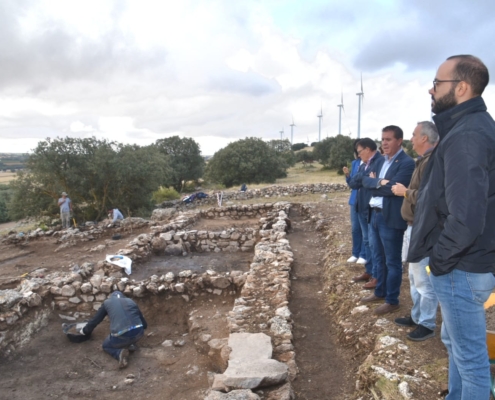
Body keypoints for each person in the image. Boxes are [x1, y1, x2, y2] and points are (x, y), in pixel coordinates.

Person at [408, 55, 495, 399]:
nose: (431, 89)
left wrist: (440, 263)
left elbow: (467, 216)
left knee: (471, 359)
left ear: (461, 87)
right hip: (465, 264)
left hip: (461, 266)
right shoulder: (468, 128)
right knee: (458, 348)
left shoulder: (467, 136)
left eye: (437, 82)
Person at [391, 121, 439, 341]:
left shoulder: (433, 162)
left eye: (414, 134)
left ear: (424, 138)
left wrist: (405, 192)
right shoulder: (424, 161)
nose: (411, 138)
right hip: (413, 226)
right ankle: (416, 315)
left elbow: (430, 198)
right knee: (412, 275)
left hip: (423, 228)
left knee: (423, 280)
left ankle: (427, 323)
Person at [360, 126, 415, 315]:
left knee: (392, 261)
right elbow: (364, 181)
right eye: (382, 139)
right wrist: (379, 182)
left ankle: (392, 300)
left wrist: (378, 183)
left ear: (399, 141)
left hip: (390, 218)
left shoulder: (406, 163)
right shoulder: (380, 160)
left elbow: (393, 189)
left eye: (388, 139)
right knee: (378, 257)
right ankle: (380, 292)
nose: (384, 143)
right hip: (374, 214)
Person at [348, 138, 383, 287]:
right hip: (361, 207)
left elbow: (376, 184)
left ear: (368, 149)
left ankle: (376, 275)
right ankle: (369, 271)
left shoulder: (379, 162)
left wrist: (366, 180)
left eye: (360, 151)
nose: (358, 155)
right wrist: (366, 179)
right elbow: (353, 183)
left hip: (372, 209)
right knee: (367, 241)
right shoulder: (364, 165)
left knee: (375, 244)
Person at [81, 291, 147, 368]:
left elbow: (95, 320)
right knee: (130, 332)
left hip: (122, 335)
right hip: (139, 333)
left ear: (111, 297)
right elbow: (144, 325)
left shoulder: (107, 302)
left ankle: (118, 353)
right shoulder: (131, 301)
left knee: (106, 345)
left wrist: (85, 330)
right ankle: (130, 345)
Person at [343, 142, 366, 264]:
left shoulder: (370, 163)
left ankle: (363, 254)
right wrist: (347, 175)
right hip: (354, 199)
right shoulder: (355, 163)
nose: (359, 153)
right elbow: (352, 182)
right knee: (355, 228)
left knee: (364, 229)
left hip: (364, 200)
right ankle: (355, 253)